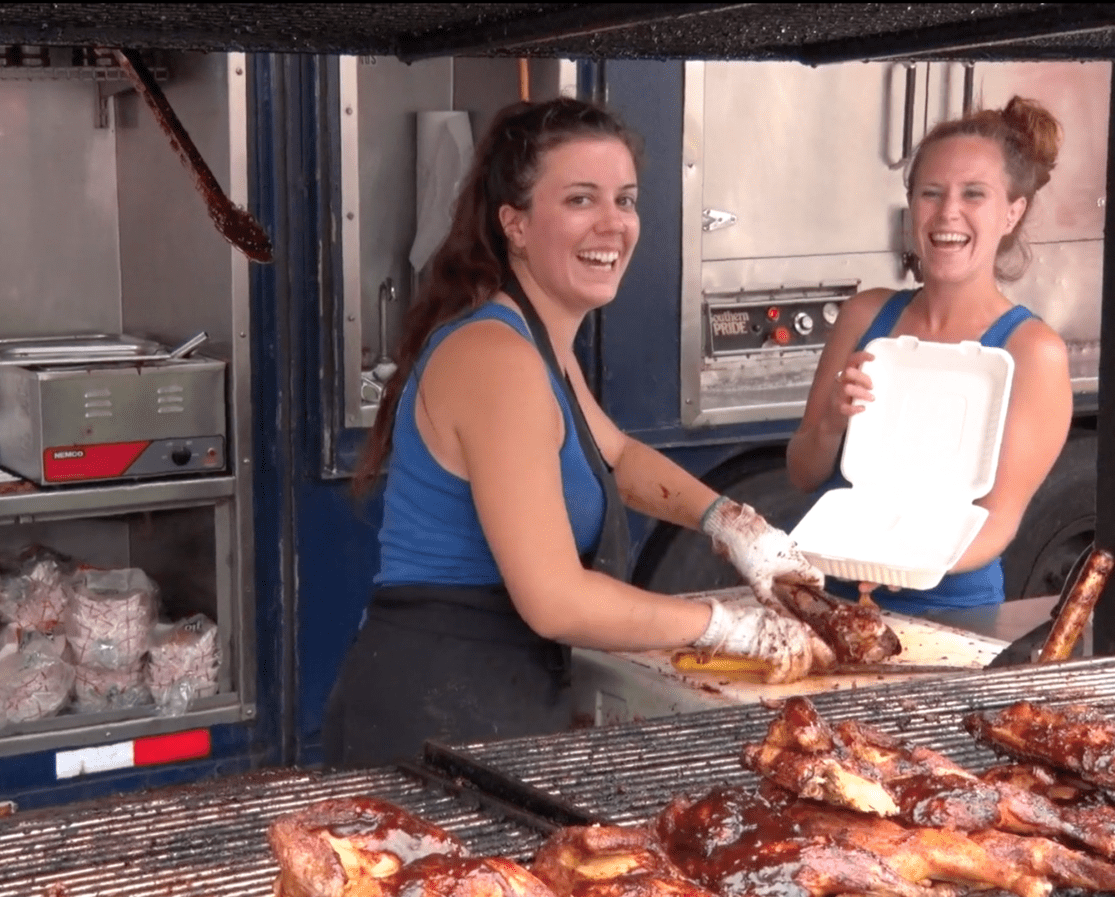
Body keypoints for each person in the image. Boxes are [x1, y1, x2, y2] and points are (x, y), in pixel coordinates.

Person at [323, 98, 829, 768]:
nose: (612, 224)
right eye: (581, 199)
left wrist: (733, 525)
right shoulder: (496, 359)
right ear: (515, 223)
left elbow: (616, 455)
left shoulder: (540, 343)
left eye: (625, 199)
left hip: (488, 701)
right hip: (429, 716)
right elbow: (557, 601)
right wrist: (727, 626)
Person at [785, 96, 1073, 616]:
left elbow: (995, 524)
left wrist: (896, 564)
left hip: (951, 614)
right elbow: (804, 473)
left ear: (1013, 211)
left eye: (974, 194)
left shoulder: (1033, 353)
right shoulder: (864, 316)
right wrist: (830, 422)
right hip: (829, 603)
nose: (947, 213)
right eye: (930, 193)